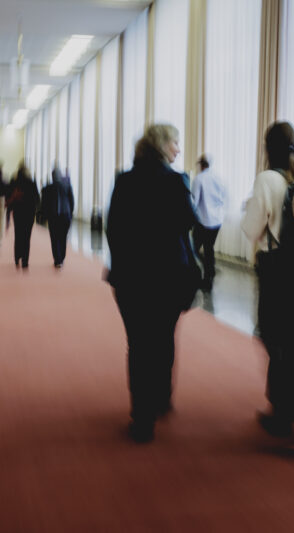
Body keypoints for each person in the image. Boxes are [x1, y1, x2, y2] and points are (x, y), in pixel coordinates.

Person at [106, 124, 198, 443]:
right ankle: (162, 397)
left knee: (139, 344)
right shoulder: (176, 181)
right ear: (161, 145)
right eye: (175, 142)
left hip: (132, 277)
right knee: (164, 337)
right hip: (170, 276)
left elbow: (113, 228)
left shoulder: (124, 181)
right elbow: (189, 222)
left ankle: (142, 417)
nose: (178, 149)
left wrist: (123, 263)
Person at [241, 121, 294, 454]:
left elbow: (251, 229)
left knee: (275, 341)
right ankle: (281, 414)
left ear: (267, 147)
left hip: (278, 271)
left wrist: (251, 209)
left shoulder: (267, 179)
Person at [191, 154, 227, 291]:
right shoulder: (218, 178)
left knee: (193, 248)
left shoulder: (199, 179)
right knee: (209, 249)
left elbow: (194, 201)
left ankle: (204, 279)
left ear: (201, 165)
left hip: (204, 221)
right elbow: (224, 197)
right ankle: (210, 273)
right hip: (217, 220)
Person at [42, 166, 75, 267]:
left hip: (53, 216)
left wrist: (44, 216)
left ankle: (58, 259)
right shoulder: (67, 186)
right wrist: (70, 213)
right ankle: (62, 257)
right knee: (63, 237)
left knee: (54, 237)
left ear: (52, 177)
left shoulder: (47, 188)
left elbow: (44, 204)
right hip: (65, 215)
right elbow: (72, 201)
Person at [8, 162, 40, 268]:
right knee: (27, 237)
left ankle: (17, 258)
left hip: (18, 212)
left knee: (18, 235)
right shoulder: (31, 182)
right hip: (29, 213)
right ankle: (25, 261)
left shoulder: (14, 182)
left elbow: (9, 196)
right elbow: (37, 198)